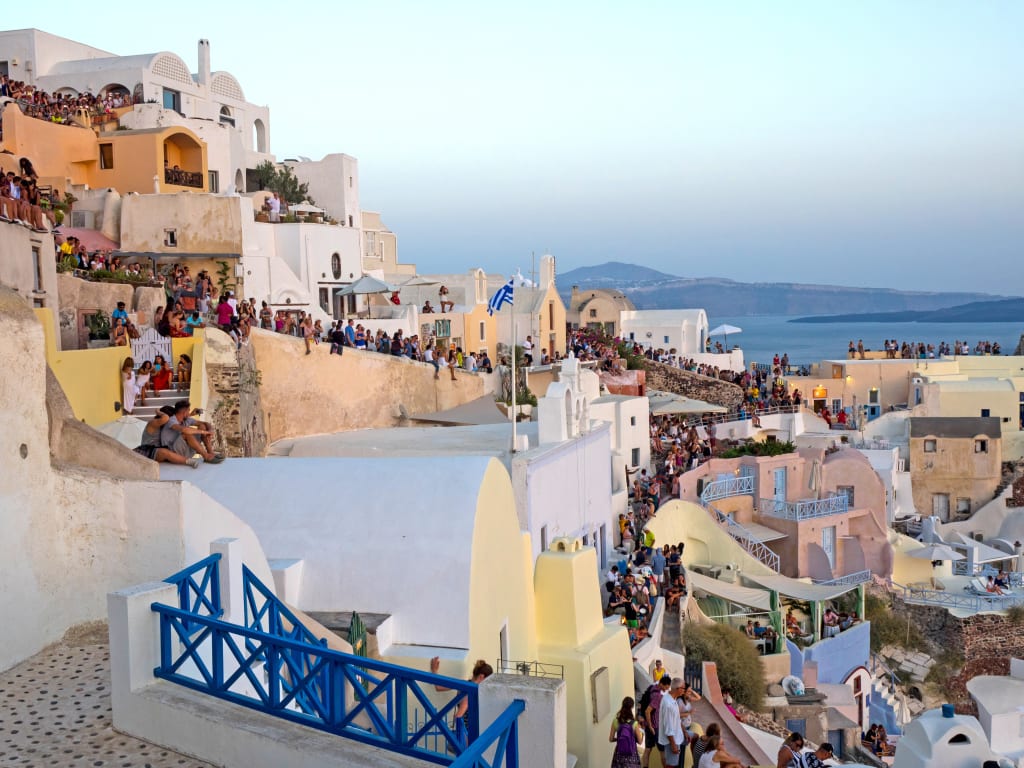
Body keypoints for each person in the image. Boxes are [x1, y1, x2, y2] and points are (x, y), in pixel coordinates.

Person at [429, 657, 493, 749]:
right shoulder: (471, 692)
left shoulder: (463, 684)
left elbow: (438, 687)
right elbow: (458, 716)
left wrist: (434, 670)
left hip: (466, 733)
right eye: (488, 680)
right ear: (481, 677)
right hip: (470, 734)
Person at [134, 407, 200, 467]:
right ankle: (189, 461)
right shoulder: (153, 423)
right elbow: (166, 418)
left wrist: (190, 414)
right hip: (148, 451)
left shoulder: (165, 426)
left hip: (160, 451)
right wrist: (157, 411)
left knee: (183, 435)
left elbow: (177, 420)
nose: (172, 420)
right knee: (164, 452)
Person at [609, 696, 644, 768]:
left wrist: (619, 738)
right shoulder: (634, 724)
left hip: (619, 753)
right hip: (631, 753)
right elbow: (640, 742)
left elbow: (611, 739)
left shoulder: (615, 721)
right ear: (632, 707)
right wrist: (642, 732)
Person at [658, 678, 686, 767]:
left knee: (695, 736)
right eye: (683, 688)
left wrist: (685, 731)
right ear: (678, 688)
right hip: (672, 740)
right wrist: (673, 745)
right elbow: (668, 727)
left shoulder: (672, 699)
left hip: (678, 735)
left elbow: (676, 719)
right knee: (671, 765)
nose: (684, 691)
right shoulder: (668, 703)